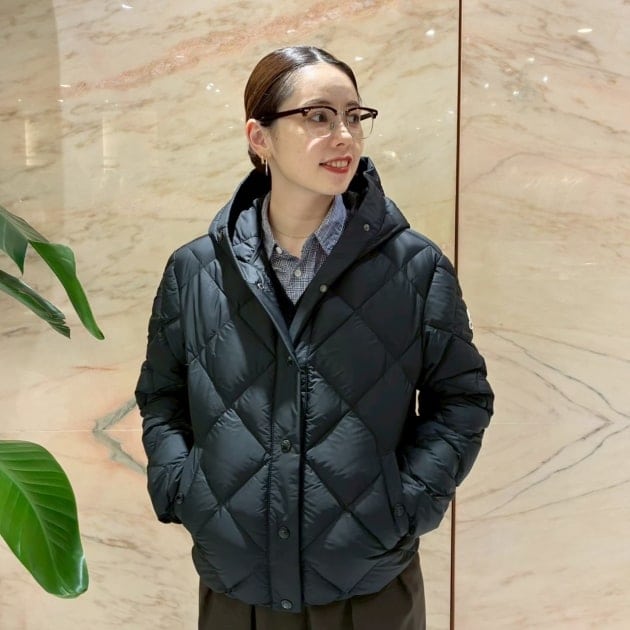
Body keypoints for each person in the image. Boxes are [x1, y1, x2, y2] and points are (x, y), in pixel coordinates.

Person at [136, 46, 494, 630]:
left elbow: (462, 400)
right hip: (236, 587)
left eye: (354, 116)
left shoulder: (414, 268)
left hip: (369, 587)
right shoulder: (195, 271)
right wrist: (184, 490)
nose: (344, 135)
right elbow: (161, 398)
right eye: (319, 116)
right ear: (260, 137)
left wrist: (405, 505)